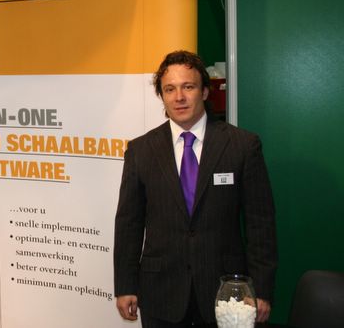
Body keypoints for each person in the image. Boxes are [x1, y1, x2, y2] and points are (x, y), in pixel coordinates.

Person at [114, 50, 277, 327]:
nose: (179, 97)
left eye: (188, 87)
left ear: (204, 92)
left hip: (226, 296)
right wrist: (125, 285)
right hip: (160, 292)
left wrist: (260, 290)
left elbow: (260, 224)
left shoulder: (242, 146)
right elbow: (129, 223)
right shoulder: (140, 151)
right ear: (162, 96)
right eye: (170, 89)